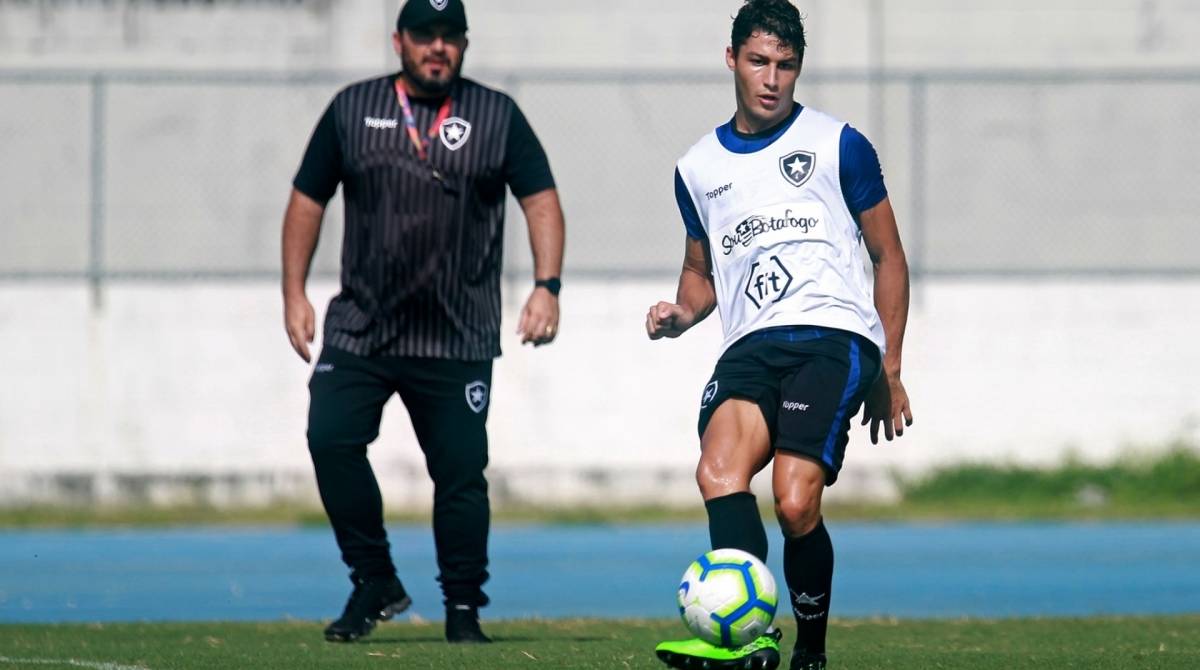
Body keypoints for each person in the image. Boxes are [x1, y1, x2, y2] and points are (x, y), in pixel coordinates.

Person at [280, 0, 564, 645]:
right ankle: (373, 579)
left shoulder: (495, 114)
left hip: (456, 333)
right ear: (399, 41)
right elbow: (307, 199)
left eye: (449, 36)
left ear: (463, 44)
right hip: (363, 327)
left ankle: (463, 611)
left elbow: (541, 199)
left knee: (460, 475)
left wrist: (547, 287)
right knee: (330, 438)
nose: (438, 47)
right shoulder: (353, 109)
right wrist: (293, 292)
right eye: (425, 35)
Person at [647, 2, 912, 669]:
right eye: (758, 62)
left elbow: (888, 256)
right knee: (717, 471)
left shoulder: (838, 143)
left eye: (785, 66)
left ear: (799, 68)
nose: (771, 79)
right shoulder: (697, 168)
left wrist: (889, 367)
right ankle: (750, 638)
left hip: (830, 336)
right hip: (749, 345)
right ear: (731, 59)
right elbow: (699, 275)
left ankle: (809, 652)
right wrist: (680, 314)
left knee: (794, 504)